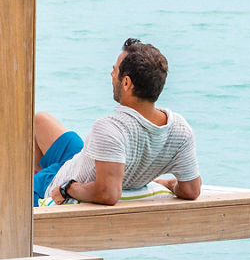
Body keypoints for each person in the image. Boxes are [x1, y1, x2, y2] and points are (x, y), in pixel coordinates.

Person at [34, 38, 201, 206]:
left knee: (25, 179)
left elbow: (107, 193)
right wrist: (169, 184)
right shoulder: (180, 130)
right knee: (39, 121)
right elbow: (191, 190)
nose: (112, 75)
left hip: (56, 182)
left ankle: (36, 187)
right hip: (84, 161)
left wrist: (68, 188)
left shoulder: (111, 129)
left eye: (115, 71)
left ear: (126, 82)